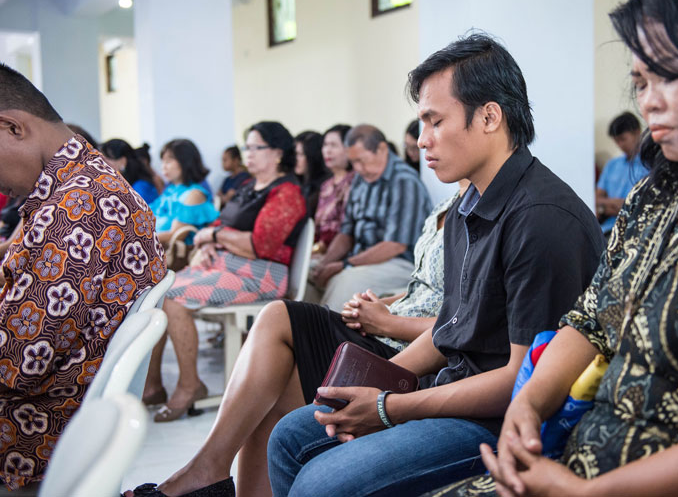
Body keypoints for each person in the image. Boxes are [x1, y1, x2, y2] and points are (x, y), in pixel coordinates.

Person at [434, 0, 678, 496]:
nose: (649, 100)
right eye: (641, 82)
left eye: (670, 74)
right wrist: (529, 401)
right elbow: (592, 319)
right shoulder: (657, 194)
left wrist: (587, 493)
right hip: (580, 458)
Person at [267, 34, 604, 497]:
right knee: (288, 436)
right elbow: (451, 328)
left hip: (498, 422)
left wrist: (390, 407)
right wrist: (381, 382)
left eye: (434, 121)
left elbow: (523, 380)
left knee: (321, 483)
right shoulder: (465, 207)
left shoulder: (543, 219)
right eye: (420, 122)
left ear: (489, 116)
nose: (422, 140)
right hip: (450, 390)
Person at [128, 178, 466, 497]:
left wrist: (387, 323)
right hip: (391, 327)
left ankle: (204, 472)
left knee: (277, 315)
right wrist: (380, 306)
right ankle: (207, 472)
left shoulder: (487, 217)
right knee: (265, 394)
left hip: (407, 348)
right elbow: (421, 289)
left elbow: (462, 321)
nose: (424, 141)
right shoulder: (447, 205)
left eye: (435, 122)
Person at [0, 63, 164, 489]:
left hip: (31, 428)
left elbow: (16, 364)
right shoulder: (79, 186)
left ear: (12, 127)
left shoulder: (79, 208)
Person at [143, 121, 307, 423]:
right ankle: (152, 386)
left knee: (171, 296)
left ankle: (190, 385)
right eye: (247, 147)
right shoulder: (248, 186)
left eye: (256, 147)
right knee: (154, 292)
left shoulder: (286, 193)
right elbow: (220, 223)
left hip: (260, 274)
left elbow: (260, 245)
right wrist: (208, 244)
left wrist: (213, 239)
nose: (248, 153)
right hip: (226, 265)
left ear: (278, 153)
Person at [309, 124, 432, 312]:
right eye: (353, 162)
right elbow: (346, 233)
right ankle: (305, 333)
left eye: (362, 160)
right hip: (361, 260)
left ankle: (328, 338)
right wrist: (326, 263)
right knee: (310, 273)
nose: (359, 168)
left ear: (382, 149)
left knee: (345, 280)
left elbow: (394, 246)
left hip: (399, 263)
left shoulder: (404, 181)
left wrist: (344, 265)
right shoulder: (360, 180)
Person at [149, 138, 219, 246]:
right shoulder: (171, 190)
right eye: (162, 161)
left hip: (171, 255)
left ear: (185, 162)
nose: (163, 167)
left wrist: (140, 239)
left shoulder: (194, 194)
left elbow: (175, 234)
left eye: (168, 161)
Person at [595, 111, 647, 235]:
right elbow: (596, 198)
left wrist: (605, 206)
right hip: (607, 229)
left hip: (634, 231)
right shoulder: (612, 165)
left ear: (637, 132)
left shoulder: (649, 165)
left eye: (623, 139)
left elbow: (640, 207)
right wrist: (617, 204)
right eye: (616, 141)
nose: (620, 145)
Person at [313, 124, 355, 253]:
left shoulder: (354, 181)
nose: (327, 150)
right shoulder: (326, 185)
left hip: (339, 251)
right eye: (325, 145)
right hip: (318, 250)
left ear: (348, 148)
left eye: (333, 145)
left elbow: (346, 227)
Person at [101, 138, 160, 203]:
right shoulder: (136, 184)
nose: (103, 164)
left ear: (122, 160)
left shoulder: (140, 187)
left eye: (106, 159)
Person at [294, 130, 328, 218]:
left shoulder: (324, 186)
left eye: (300, 154)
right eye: (294, 154)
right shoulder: (296, 183)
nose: (295, 159)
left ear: (313, 156)